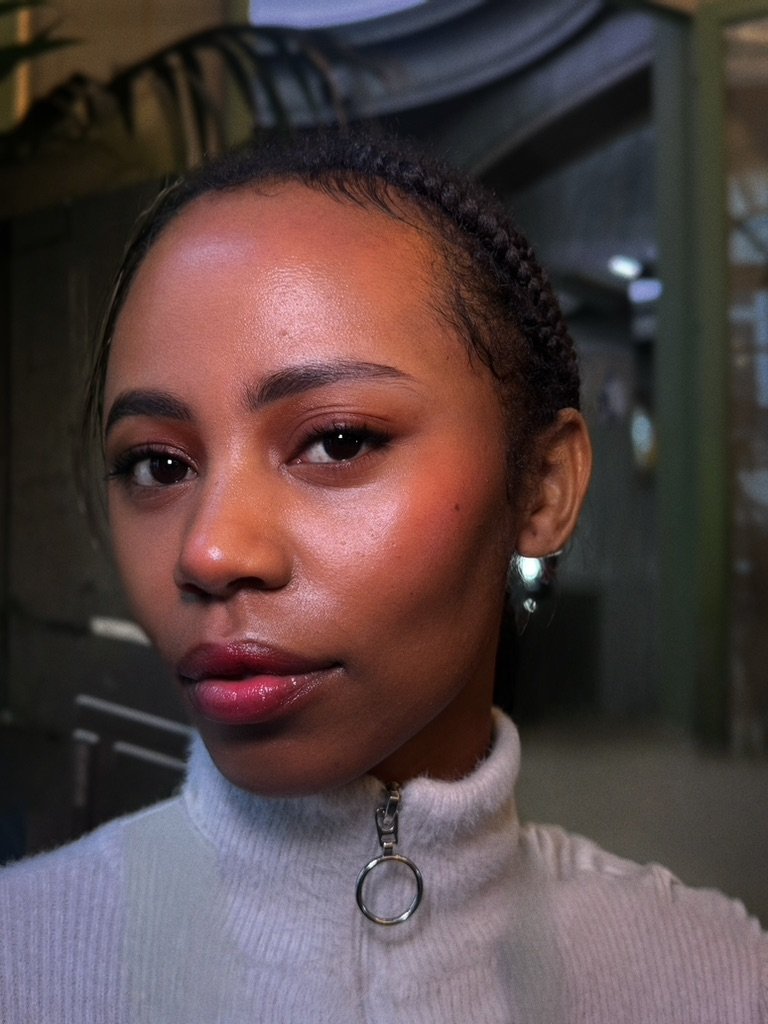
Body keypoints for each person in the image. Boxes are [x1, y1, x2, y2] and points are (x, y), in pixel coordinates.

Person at [1, 128, 765, 1024]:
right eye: (159, 465)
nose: (208, 553)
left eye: (338, 441)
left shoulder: (718, 980)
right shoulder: (24, 961)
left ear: (543, 489)